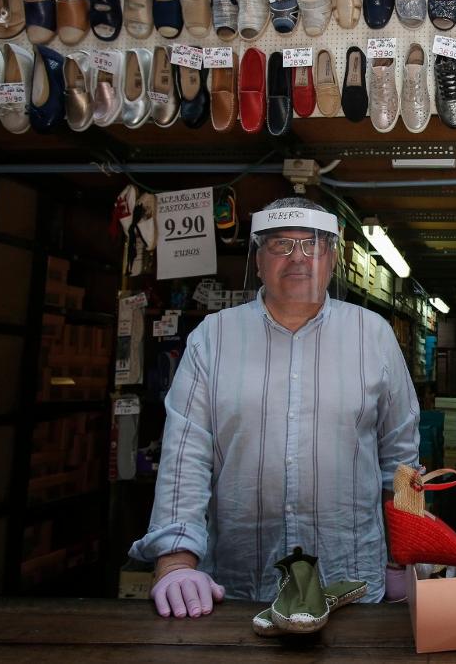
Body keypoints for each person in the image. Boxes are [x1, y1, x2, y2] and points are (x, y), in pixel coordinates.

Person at [129, 196, 420, 618]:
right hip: (238, 586)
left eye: (313, 243)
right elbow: (185, 457)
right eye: (281, 244)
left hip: (350, 579)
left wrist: (403, 555)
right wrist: (175, 563)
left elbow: (401, 458)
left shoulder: (372, 335)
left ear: (333, 257)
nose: (298, 257)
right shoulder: (213, 338)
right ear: (259, 259)